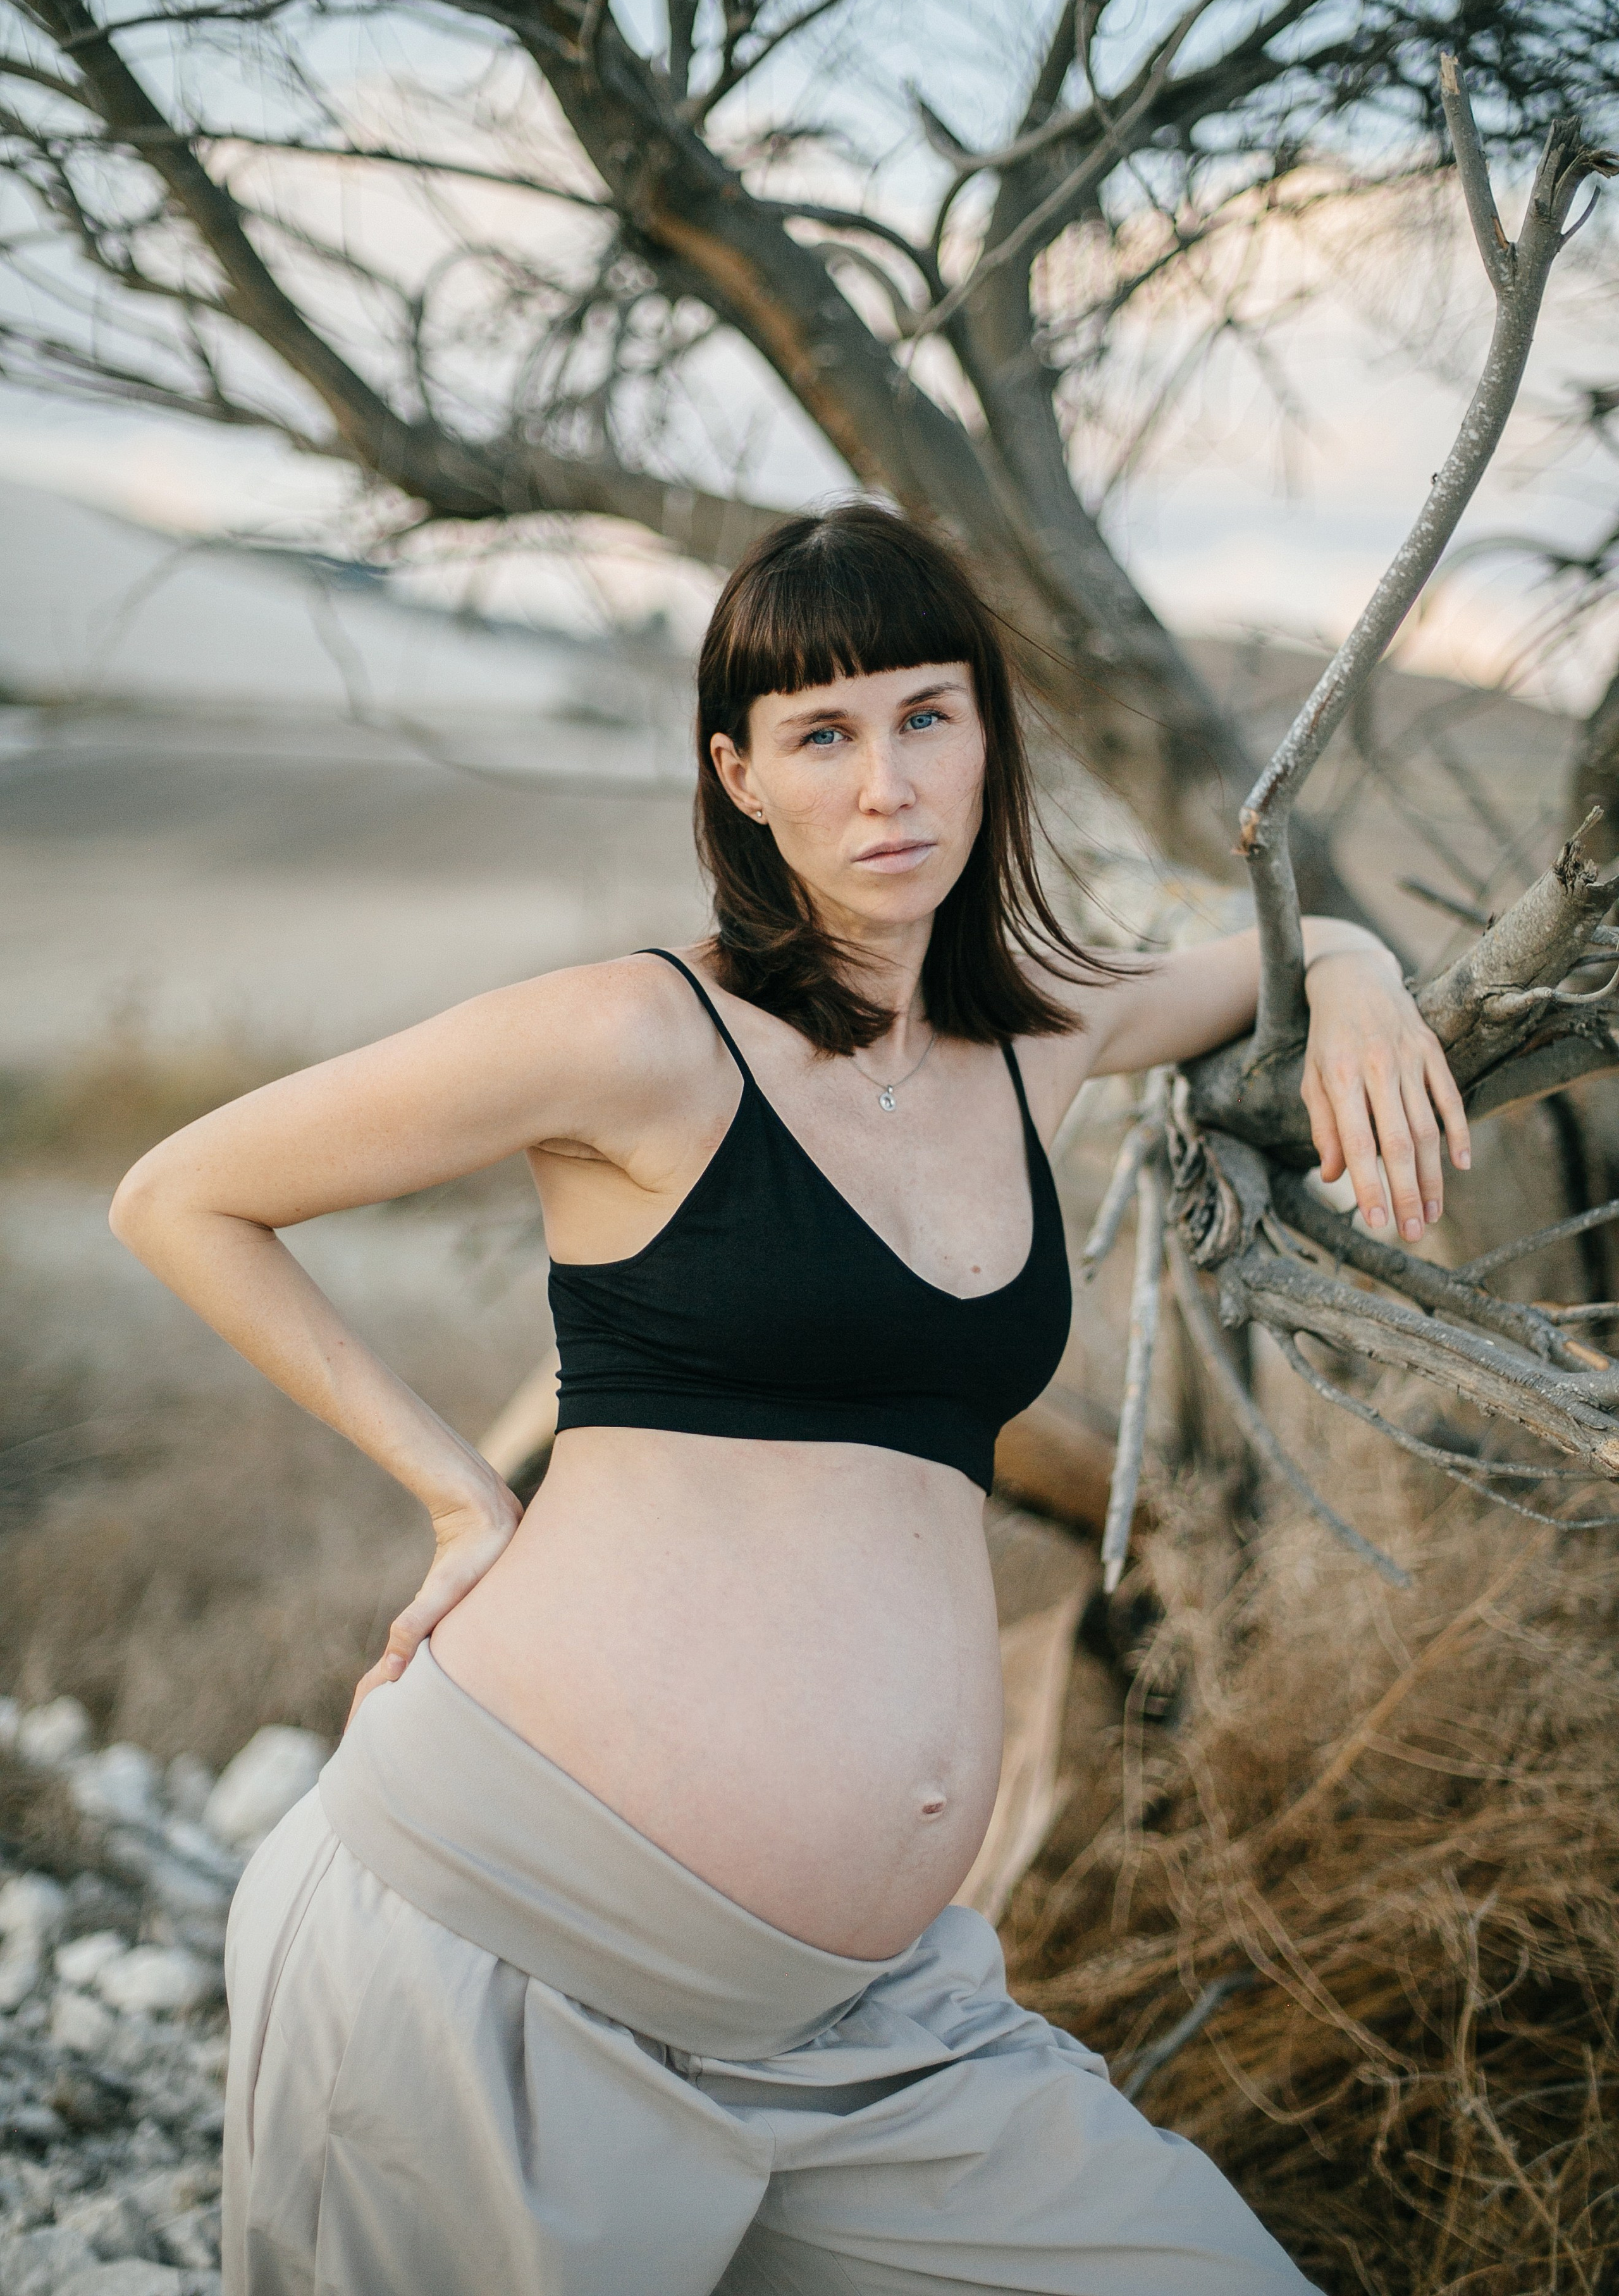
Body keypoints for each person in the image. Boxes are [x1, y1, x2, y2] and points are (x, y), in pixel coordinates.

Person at [111, 503, 1469, 2296]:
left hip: (869, 2033)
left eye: (926, 716)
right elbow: (180, 1197)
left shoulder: (1039, 1031)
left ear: (990, 732)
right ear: (737, 776)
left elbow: (1269, 961)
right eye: (822, 735)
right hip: (503, 1965)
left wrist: (1363, 976)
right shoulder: (638, 1038)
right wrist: (460, 1498)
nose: (885, 782)